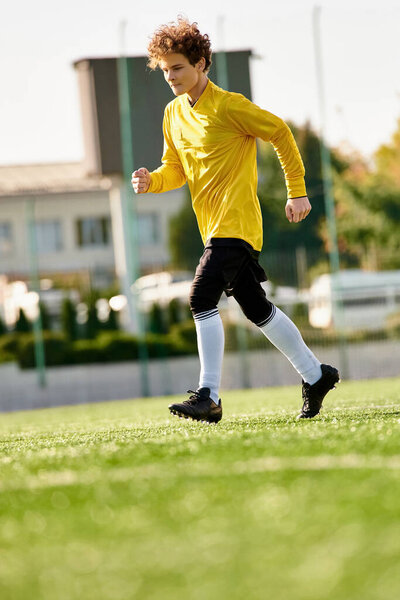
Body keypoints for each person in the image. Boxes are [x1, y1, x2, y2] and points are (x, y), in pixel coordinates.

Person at [131, 17, 339, 424]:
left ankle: (208, 395)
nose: (171, 76)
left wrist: (297, 191)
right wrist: (152, 181)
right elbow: (175, 169)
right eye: (166, 69)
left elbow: (280, 132)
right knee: (256, 307)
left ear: (202, 64)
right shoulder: (173, 114)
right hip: (213, 227)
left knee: (200, 297)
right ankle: (316, 376)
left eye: (179, 67)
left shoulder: (230, 106)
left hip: (237, 224)